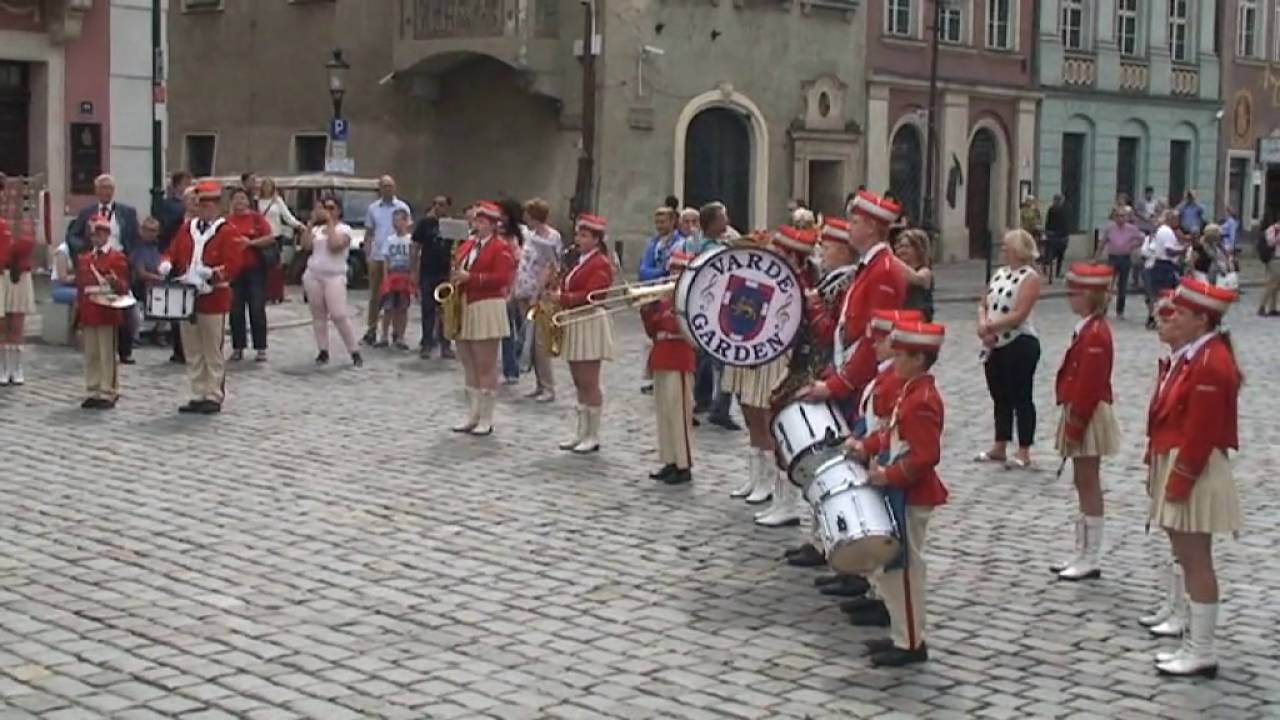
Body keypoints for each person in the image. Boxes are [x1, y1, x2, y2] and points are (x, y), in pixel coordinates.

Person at [1146, 278, 1242, 678]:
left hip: (1195, 468)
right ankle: (1193, 641)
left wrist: (1179, 481)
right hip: (1185, 461)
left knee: (1197, 559)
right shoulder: (1197, 356)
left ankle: (1202, 650)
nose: (1174, 318)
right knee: (1188, 555)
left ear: (1202, 320)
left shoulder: (1209, 363)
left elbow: (1200, 432)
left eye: (1182, 314)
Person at [846, 320, 948, 667]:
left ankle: (911, 644)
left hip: (910, 493)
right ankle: (900, 634)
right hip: (900, 490)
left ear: (919, 359)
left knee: (904, 571)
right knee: (893, 569)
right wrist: (864, 446)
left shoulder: (921, 398)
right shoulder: (910, 389)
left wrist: (887, 475)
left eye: (902, 355)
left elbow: (924, 455)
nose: (895, 360)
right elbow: (890, 430)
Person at [726, 227, 816, 528]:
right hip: (754, 349)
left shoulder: (799, 282)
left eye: (780, 251)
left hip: (778, 357)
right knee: (751, 412)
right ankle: (759, 478)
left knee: (770, 421)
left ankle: (781, 495)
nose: (773, 254)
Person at [798, 191, 908, 407]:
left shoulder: (883, 271)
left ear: (871, 227)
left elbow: (873, 338)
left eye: (855, 222)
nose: (849, 227)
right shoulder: (869, 267)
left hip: (861, 384)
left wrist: (836, 385)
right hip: (847, 373)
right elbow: (846, 328)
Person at [1050, 263, 1121, 582]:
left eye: (1074, 292)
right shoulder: (1088, 328)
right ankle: (1082, 550)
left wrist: (1075, 423)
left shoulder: (1095, 334)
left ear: (1089, 295)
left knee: (1088, 481)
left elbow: (1089, 384)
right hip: (1080, 409)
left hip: (1088, 412)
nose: (1069, 297)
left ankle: (1090, 555)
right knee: (1082, 481)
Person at [159, 180, 244, 414]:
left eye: (208, 204)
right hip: (187, 293)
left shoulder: (227, 231)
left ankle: (214, 393)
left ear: (217, 206)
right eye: (201, 204)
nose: (204, 209)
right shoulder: (188, 228)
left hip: (212, 295)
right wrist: (166, 262)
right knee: (192, 346)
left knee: (212, 347)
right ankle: (198, 391)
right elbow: (173, 250)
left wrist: (213, 274)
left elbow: (234, 263)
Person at [975, 229, 1043, 469]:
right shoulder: (999, 273)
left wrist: (991, 326)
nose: (1002, 250)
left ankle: (1024, 449)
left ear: (1017, 249)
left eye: (1005, 246)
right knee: (999, 395)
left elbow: (1019, 314)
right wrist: (983, 323)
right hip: (995, 342)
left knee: (1021, 396)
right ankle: (1000, 444)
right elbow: (983, 303)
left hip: (1020, 342)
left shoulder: (1030, 277)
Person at [450, 201, 516, 436]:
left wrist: (472, 277)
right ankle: (472, 414)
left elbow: (501, 278)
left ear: (492, 224)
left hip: (487, 305)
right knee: (468, 362)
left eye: (481, 221)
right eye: (476, 221)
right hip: (466, 304)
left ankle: (487, 418)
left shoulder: (501, 247)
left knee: (485, 364)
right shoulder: (468, 245)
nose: (476, 225)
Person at [551, 213, 615, 453]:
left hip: (589, 320)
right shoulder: (579, 260)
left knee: (589, 380)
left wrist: (563, 298)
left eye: (584, 235)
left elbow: (594, 295)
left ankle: (593, 434)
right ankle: (580, 431)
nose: (579, 239)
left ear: (597, 240)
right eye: (579, 234)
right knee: (578, 380)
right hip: (574, 319)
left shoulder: (600, 263)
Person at [641, 250, 696, 485]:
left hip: (679, 356)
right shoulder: (663, 298)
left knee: (679, 412)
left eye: (678, 271)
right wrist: (647, 309)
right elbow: (652, 330)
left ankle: (684, 465)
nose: (673, 275)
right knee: (664, 412)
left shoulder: (690, 299)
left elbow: (681, 327)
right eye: (672, 270)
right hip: (662, 354)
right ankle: (669, 460)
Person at [75, 215, 131, 408]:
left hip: (107, 309)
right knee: (91, 352)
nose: (96, 238)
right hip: (90, 309)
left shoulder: (117, 257)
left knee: (107, 352)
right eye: (93, 234)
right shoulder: (85, 258)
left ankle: (108, 390)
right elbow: (80, 287)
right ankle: (93, 388)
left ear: (107, 234)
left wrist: (114, 281)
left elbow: (123, 287)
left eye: (100, 233)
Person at [300, 198, 364, 368]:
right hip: (314, 274)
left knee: (338, 314)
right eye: (324, 208)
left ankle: (354, 350)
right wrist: (311, 223)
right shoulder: (317, 230)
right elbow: (305, 246)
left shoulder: (345, 229)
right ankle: (323, 350)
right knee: (318, 314)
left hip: (334, 275)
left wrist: (329, 223)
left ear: (338, 210)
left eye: (331, 208)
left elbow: (335, 245)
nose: (327, 211)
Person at [515, 198, 562, 401]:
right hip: (524, 289)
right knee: (529, 341)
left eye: (528, 214)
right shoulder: (528, 234)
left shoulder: (552, 236)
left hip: (541, 293)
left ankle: (548, 386)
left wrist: (538, 292)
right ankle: (538, 384)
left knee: (541, 342)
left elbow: (551, 266)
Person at [225, 188, 274, 363]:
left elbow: (270, 237)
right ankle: (238, 348)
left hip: (254, 270)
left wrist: (250, 242)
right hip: (234, 271)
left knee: (256, 308)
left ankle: (261, 348)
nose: (239, 202)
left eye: (242, 198)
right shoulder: (227, 221)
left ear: (248, 201)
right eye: (236, 199)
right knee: (235, 310)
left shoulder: (256, 218)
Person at [362, 176, 412, 345]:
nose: (388, 189)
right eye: (385, 186)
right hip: (378, 256)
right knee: (376, 296)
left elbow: (408, 233)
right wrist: (368, 256)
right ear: (380, 189)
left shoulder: (402, 207)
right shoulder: (373, 208)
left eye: (391, 186)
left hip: (399, 262)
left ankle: (397, 333)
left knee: (400, 300)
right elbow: (369, 233)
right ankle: (372, 330)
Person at [411, 195, 455, 358]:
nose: (438, 207)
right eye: (435, 204)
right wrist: (413, 271)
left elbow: (459, 246)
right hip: (427, 271)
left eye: (442, 204)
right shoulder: (425, 224)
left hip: (445, 272)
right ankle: (427, 342)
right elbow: (415, 246)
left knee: (445, 310)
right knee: (427, 308)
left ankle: (445, 344)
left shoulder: (452, 225)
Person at [257, 177, 304, 305]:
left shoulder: (277, 201)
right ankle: (264, 293)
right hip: (261, 237)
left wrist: (299, 225)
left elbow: (287, 216)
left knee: (275, 267)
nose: (267, 188)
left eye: (269, 185)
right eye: (265, 185)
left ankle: (276, 294)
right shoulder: (257, 201)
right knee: (261, 267)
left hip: (275, 237)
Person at [0, 213, 34, 385]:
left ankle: (17, 367)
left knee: (17, 325)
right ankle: (4, 367)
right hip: (1, 274)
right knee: (2, 325)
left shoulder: (25, 221)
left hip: (20, 275)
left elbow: (29, 244)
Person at [497, 199, 527, 385]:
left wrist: (513, 289)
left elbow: (519, 263)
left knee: (519, 327)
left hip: (515, 285)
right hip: (501, 288)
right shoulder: (496, 234)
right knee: (506, 330)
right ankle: (511, 367)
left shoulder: (517, 236)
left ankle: (516, 361)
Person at [376, 208, 415, 349]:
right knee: (388, 307)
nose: (396, 223)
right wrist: (385, 277)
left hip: (405, 275)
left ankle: (400, 336)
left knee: (403, 308)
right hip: (392, 275)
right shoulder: (389, 240)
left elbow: (413, 259)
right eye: (394, 220)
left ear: (406, 221)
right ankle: (384, 336)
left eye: (399, 220)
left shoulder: (411, 240)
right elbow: (385, 259)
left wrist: (413, 275)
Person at [1099, 205, 1144, 318]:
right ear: (1114, 217)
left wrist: (1132, 246)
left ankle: (1120, 311)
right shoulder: (1110, 228)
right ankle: (1103, 309)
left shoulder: (1131, 228)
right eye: (1118, 216)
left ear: (1127, 218)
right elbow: (1103, 242)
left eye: (1123, 216)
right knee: (1108, 285)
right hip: (1112, 258)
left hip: (1125, 258)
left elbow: (1141, 239)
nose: (1120, 219)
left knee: (1122, 286)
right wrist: (1096, 257)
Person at [893, 228, 934, 322]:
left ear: (918, 249)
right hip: (902, 320)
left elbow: (916, 278)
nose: (900, 251)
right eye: (899, 247)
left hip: (919, 324)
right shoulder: (898, 269)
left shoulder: (925, 271)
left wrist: (891, 258)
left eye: (905, 247)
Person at [638, 207, 679, 282]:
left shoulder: (681, 242)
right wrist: (663, 271)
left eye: (662, 222)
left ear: (672, 222)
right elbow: (643, 273)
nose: (659, 226)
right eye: (657, 222)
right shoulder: (652, 243)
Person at [1042, 194, 1070, 282]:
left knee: (1051, 253)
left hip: (1054, 234)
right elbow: (1065, 223)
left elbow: (1048, 222)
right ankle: (1056, 271)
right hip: (1061, 235)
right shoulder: (1063, 210)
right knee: (1060, 255)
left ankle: (1047, 265)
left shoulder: (1052, 209)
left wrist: (1047, 231)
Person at [1260, 219, 1280, 316]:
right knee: (1271, 284)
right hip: (1275, 259)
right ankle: (1262, 307)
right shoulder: (1274, 230)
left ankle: (1273, 308)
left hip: (1276, 259)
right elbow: (1271, 242)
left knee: (1276, 286)